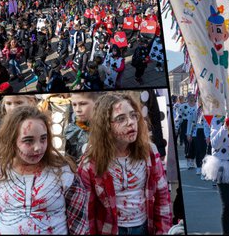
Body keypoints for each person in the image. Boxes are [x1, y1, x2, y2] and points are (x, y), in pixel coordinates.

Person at [0, 105, 89, 234]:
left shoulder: (63, 173)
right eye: (28, 141)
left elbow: (79, 225)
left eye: (43, 139)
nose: (38, 148)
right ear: (11, 141)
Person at [78, 93, 172, 235]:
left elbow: (162, 196)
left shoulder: (149, 152)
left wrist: (163, 231)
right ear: (105, 126)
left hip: (145, 228)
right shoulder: (90, 163)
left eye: (133, 115)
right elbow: (86, 211)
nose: (131, 122)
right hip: (109, 230)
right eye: (121, 119)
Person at [65, 92, 101, 163]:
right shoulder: (70, 130)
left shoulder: (107, 127)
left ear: (96, 104)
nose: (77, 109)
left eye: (83, 104)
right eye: (74, 104)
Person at [186, 98, 210, 177]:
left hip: (208, 132)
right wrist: (189, 133)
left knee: (206, 150)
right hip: (198, 132)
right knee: (199, 150)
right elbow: (191, 122)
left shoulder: (209, 110)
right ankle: (199, 167)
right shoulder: (195, 111)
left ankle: (206, 168)